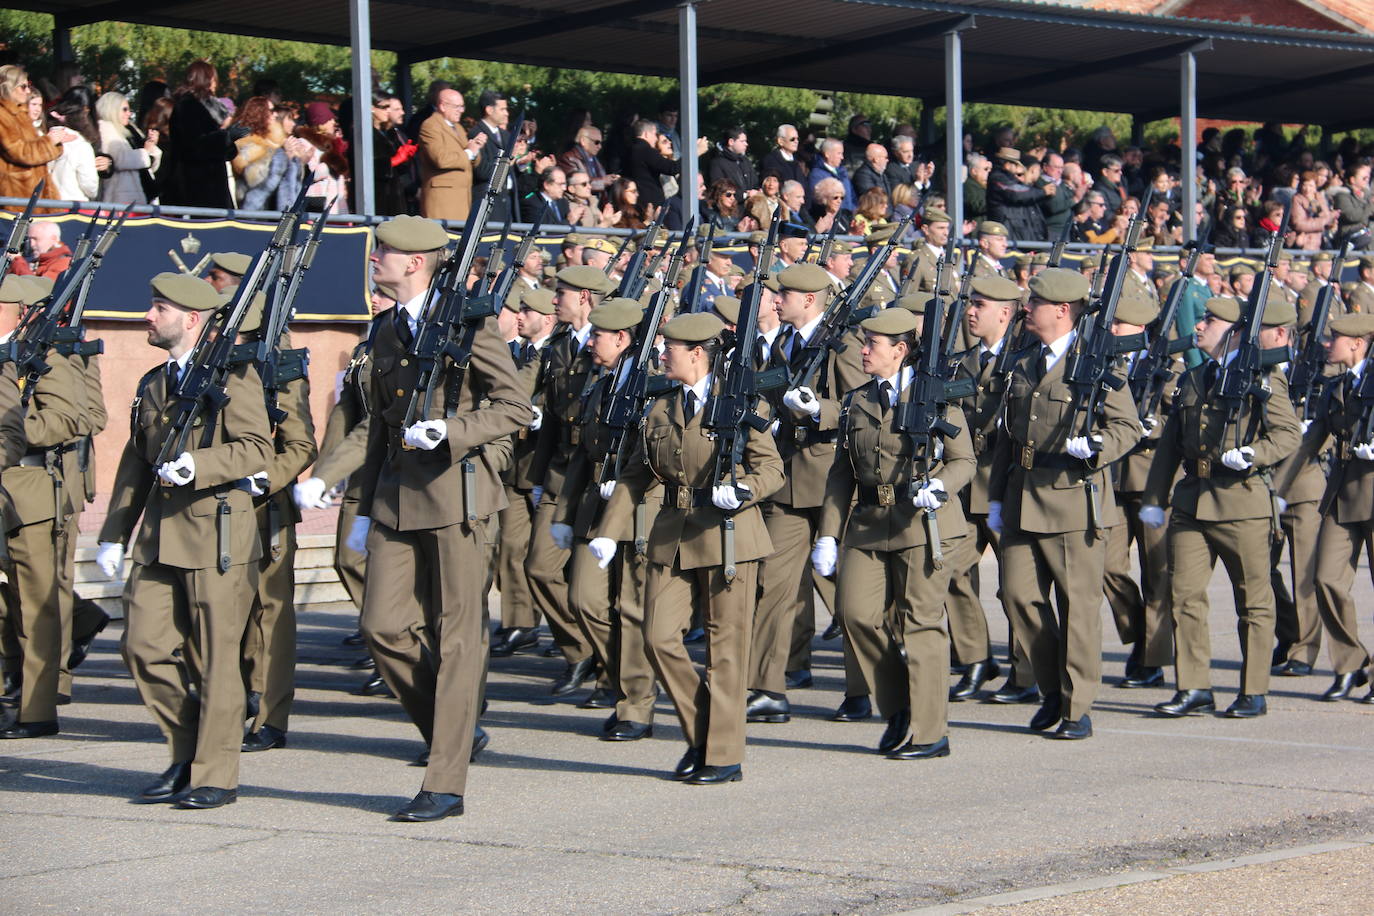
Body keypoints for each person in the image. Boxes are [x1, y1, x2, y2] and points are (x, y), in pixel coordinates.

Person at [350, 215, 531, 821]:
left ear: (416, 263)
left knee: (458, 640)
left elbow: (514, 407)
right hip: (395, 498)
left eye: (386, 253)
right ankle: (451, 726)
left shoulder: (469, 324)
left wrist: (451, 431)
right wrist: (360, 504)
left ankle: (445, 781)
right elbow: (378, 424)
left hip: (459, 496)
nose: (376, 258)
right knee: (381, 627)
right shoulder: (383, 330)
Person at [96, 272, 273, 807]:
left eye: (159, 308)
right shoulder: (154, 382)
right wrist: (113, 533)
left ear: (191, 319)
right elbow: (135, 460)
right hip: (159, 537)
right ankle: (187, 747)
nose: (148, 316)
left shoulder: (234, 377)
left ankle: (215, 773)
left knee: (218, 660)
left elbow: (257, 449)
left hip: (216, 534)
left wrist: (199, 464)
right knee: (142, 646)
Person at [601, 311, 784, 783]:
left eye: (671, 349)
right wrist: (608, 530)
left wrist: (743, 488)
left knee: (725, 648)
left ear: (697, 353)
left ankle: (722, 755)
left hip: (728, 538)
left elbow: (772, 469)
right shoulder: (661, 408)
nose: (662, 354)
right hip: (673, 534)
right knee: (657, 636)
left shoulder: (742, 404)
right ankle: (704, 733)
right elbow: (636, 473)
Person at [814, 303, 975, 758]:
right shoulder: (857, 399)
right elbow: (842, 472)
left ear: (901, 350)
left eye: (873, 344)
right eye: (864, 342)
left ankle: (930, 732)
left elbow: (964, 459)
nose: (864, 350)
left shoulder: (936, 394)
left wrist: (941, 486)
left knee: (921, 624)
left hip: (924, 524)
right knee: (854, 615)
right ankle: (900, 707)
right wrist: (828, 532)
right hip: (867, 524)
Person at [987, 267, 1141, 739]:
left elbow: (1127, 428)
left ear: (1062, 310)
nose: (1025, 309)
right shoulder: (1023, 360)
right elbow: (1006, 440)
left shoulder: (1097, 364)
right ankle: (1051, 688)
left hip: (1074, 499)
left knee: (1078, 606)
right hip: (1022, 496)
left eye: (1034, 303)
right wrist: (995, 497)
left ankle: (1077, 707)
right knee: (1018, 596)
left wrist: (1096, 446)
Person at [1141, 290, 1302, 720]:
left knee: (1253, 600)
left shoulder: (1263, 377)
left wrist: (1255, 454)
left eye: (1210, 320)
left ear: (1233, 333)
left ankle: (1253, 690)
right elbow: (1170, 447)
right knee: (1184, 596)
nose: (1199, 325)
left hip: (1243, 502)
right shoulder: (1194, 378)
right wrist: (1155, 499)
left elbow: (1288, 434)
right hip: (1193, 501)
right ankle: (1194, 686)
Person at [746, 264, 868, 726]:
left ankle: (860, 688)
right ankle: (767, 687)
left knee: (849, 593)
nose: (777, 300)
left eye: (786, 294)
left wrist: (822, 409)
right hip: (787, 482)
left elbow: (865, 406)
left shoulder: (844, 346)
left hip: (833, 481)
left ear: (811, 300)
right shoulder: (783, 344)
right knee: (772, 587)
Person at [550, 297, 663, 740]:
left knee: (631, 608)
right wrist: (563, 513)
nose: (591, 340)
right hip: (594, 509)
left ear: (622, 338)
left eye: (599, 335)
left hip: (636, 509)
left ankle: (636, 704)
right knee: (584, 600)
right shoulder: (602, 385)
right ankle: (623, 681)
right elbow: (583, 451)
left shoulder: (654, 387)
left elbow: (657, 452)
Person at [944, 275, 1037, 703]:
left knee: (1015, 586)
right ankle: (975, 658)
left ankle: (1027, 670)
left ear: (1006, 312)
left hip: (1005, 489)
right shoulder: (960, 362)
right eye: (970, 303)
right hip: (964, 490)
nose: (971, 311)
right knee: (950, 571)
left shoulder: (1026, 362)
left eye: (980, 304)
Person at [1275, 313, 1374, 702]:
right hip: (1342, 494)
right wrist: (1279, 490)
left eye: (1336, 337)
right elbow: (1310, 442)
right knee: (1325, 580)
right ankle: (1350, 664)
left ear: (1357, 343)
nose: (1328, 344)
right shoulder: (1338, 385)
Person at [235, 294, 317, 753]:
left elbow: (301, 444)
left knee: (270, 615)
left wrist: (263, 480)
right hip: (215, 510)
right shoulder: (215, 364)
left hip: (266, 509)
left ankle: (270, 716)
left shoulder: (281, 368)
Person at [0, 274, 77, 740]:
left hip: (28, 492)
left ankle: (37, 710)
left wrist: (14, 420)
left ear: (22, 311)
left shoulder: (45, 358)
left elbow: (71, 418)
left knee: (34, 607)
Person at [162, 60, 243, 208]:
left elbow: (219, 150)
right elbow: (193, 145)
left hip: (213, 183)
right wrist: (226, 137)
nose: (215, 82)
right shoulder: (187, 106)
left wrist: (230, 141)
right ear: (203, 79)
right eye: (212, 77)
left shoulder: (209, 107)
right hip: (195, 185)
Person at [0, 66, 72, 208]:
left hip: (37, 195)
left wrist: (56, 143)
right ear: (8, 87)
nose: (27, 91)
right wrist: (50, 141)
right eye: (23, 87)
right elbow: (20, 153)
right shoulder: (3, 116)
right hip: (17, 197)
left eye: (29, 86)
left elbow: (36, 153)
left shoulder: (20, 113)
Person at [418, 88, 483, 221]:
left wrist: (475, 149)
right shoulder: (430, 126)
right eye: (457, 106)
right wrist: (469, 152)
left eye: (462, 106)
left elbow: (470, 158)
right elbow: (440, 159)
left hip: (462, 201)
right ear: (442, 106)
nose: (462, 110)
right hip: (442, 202)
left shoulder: (458, 127)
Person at [95, 90, 160, 205]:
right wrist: (145, 152)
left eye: (129, 110)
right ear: (111, 109)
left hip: (140, 194)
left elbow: (147, 165)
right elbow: (119, 159)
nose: (129, 114)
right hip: (122, 197)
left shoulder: (130, 129)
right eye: (124, 109)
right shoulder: (106, 129)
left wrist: (151, 146)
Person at [986, 148, 1050, 243]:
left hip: (1017, 234)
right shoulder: (998, 178)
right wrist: (1042, 192)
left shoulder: (1010, 180)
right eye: (1016, 165)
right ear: (1007, 165)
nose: (1018, 169)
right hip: (1007, 234)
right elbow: (1016, 193)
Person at [708, 126, 757, 197]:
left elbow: (755, 182)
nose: (746, 144)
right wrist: (744, 195)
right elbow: (719, 189)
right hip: (730, 207)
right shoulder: (717, 163)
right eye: (742, 141)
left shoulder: (745, 161)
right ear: (731, 142)